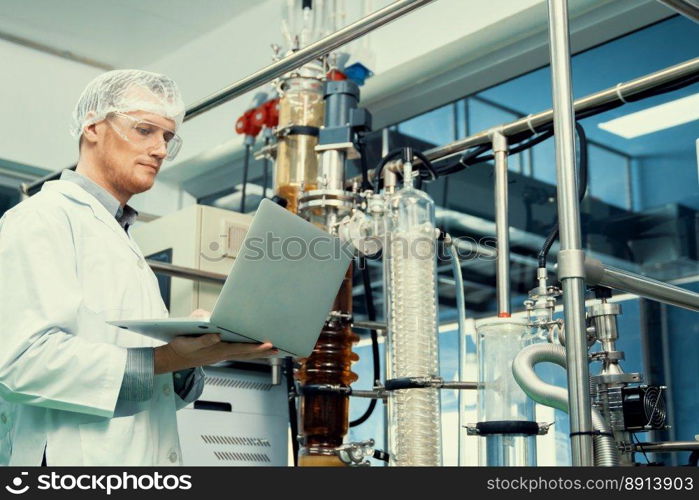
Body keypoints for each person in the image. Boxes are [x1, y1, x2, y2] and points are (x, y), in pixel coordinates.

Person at [0, 69, 278, 466]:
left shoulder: (120, 235)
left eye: (167, 137)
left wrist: (198, 353)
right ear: (93, 126)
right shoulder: (42, 218)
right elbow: (21, 363)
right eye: (145, 130)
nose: (161, 149)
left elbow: (147, 385)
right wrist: (169, 358)